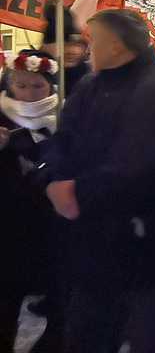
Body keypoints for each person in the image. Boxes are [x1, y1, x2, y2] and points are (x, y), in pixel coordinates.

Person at [45, 9, 155, 352]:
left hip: (145, 254)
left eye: (92, 40)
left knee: (146, 339)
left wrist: (75, 190)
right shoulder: (89, 86)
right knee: (86, 338)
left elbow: (140, 165)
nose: (86, 48)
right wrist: (53, 177)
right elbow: (63, 139)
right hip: (92, 251)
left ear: (115, 44)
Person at [0, 50, 59, 351]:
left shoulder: (64, 119)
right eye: (21, 86)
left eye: (38, 86)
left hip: (52, 234)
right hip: (7, 236)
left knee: (60, 313)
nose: (29, 94)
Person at [40, 4, 91, 98]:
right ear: (45, 46)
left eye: (76, 44)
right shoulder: (32, 71)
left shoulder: (91, 76)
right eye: (64, 44)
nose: (72, 51)